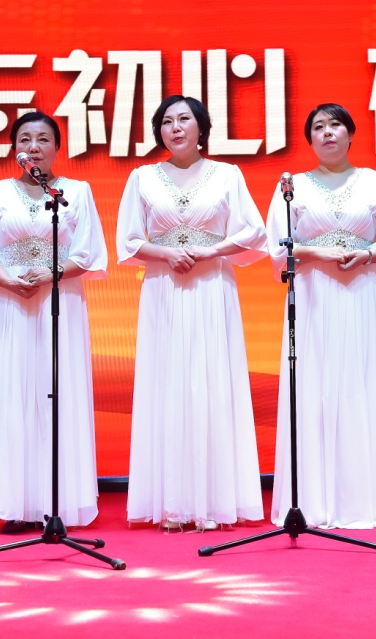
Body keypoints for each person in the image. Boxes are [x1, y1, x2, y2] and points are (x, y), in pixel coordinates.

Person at [265, 104, 376, 529]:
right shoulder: (292, 186)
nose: (328, 132)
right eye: (318, 127)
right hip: (314, 294)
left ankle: (369, 500)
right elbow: (278, 247)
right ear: (310, 140)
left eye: (335, 125)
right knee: (313, 388)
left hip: (362, 292)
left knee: (362, 383)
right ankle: (314, 501)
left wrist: (366, 254)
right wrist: (319, 253)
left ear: (351, 134)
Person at [117, 95, 267, 531]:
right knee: (167, 383)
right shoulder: (143, 177)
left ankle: (215, 502)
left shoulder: (228, 174)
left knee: (212, 380)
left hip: (211, 286)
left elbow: (253, 231)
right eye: (167, 121)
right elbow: (129, 240)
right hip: (163, 288)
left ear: (201, 127)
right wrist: (166, 254)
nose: (176, 127)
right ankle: (173, 504)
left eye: (185, 119)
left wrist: (211, 251)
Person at [0, 112, 107, 529]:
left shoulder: (76, 193)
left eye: (43, 139)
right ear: (14, 149)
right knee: (11, 394)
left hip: (59, 300)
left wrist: (50, 274)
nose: (33, 147)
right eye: (25, 139)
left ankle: (57, 499)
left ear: (57, 148)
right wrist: (10, 281)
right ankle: (15, 502)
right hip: (9, 303)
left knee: (57, 391)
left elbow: (88, 253)